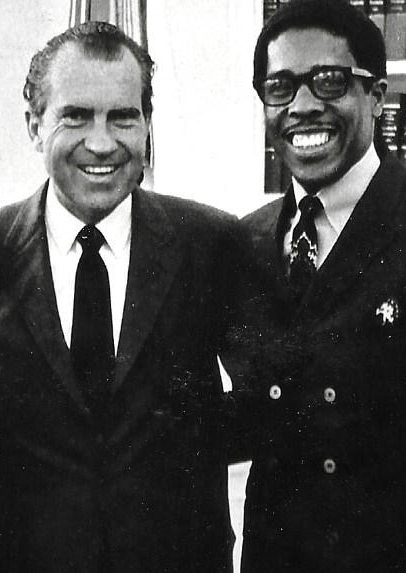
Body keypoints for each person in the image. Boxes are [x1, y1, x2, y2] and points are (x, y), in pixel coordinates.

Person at [240, 0, 406, 571]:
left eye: (329, 81)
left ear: (377, 96)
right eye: (280, 87)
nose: (302, 106)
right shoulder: (248, 241)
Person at [0, 21, 252, 573]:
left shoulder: (212, 244)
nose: (101, 142)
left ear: (146, 126)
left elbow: (268, 402)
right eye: (75, 116)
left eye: (122, 117)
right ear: (34, 126)